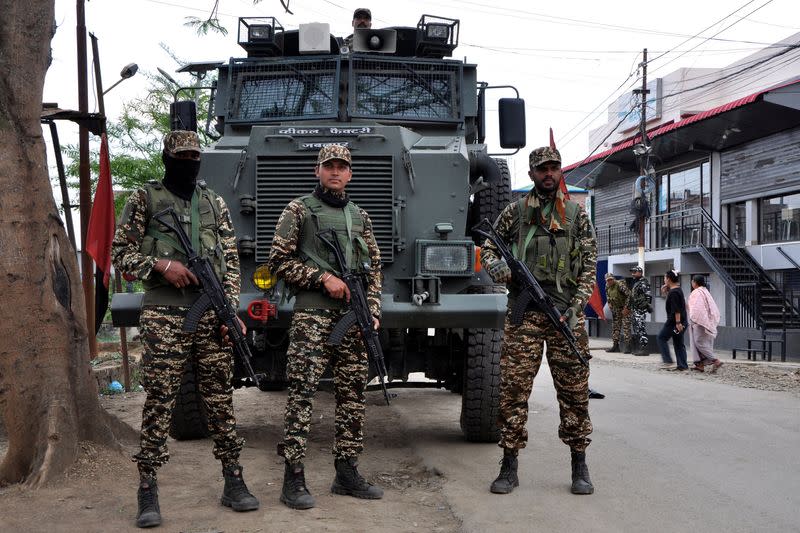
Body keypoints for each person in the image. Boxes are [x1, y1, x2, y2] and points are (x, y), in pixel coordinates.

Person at [112, 131, 259, 528]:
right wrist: (162, 266)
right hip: (164, 315)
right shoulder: (144, 199)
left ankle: (234, 481)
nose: (189, 161)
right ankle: (147, 489)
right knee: (160, 401)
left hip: (211, 314)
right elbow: (120, 252)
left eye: (195, 155)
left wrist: (230, 312)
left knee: (220, 401)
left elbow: (230, 262)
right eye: (182, 156)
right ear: (167, 157)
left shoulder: (214, 203)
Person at [267, 144, 384, 510]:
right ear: (317, 170)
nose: (335, 172)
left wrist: (374, 309)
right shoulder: (298, 210)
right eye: (328, 166)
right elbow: (278, 261)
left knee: (352, 396)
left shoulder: (360, 216)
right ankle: (294, 478)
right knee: (302, 393)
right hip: (313, 316)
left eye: (342, 167)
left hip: (353, 316)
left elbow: (374, 268)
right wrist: (321, 278)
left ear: (350, 174)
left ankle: (346, 473)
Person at [481, 146, 597, 496]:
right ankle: (509, 465)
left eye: (554, 168)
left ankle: (580, 464)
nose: (549, 173)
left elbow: (589, 265)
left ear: (561, 172)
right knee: (513, 392)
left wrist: (575, 307)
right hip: (524, 316)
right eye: (542, 169)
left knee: (575, 392)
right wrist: (497, 267)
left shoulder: (576, 215)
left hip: (565, 315)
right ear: (531, 174)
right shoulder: (515, 212)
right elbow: (488, 246)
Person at [687, 274, 723, 372]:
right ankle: (700, 365)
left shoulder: (696, 292)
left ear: (695, 282)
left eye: (692, 281)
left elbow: (696, 309)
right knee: (701, 342)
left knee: (699, 342)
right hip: (706, 320)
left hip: (699, 321)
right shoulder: (706, 291)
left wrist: (696, 319)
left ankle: (715, 360)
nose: (692, 283)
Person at [657, 269, 689, 371]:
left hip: (674, 323)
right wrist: (666, 292)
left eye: (665, 278)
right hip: (681, 322)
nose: (664, 280)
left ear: (669, 279)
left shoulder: (674, 292)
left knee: (661, 338)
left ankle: (668, 360)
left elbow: (676, 309)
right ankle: (682, 365)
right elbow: (674, 305)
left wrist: (678, 323)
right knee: (678, 342)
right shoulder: (677, 290)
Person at [604, 272, 631, 353]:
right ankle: (615, 346)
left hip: (625, 308)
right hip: (616, 309)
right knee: (615, 327)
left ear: (613, 279)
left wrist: (627, 308)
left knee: (626, 327)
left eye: (611, 279)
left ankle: (628, 346)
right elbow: (607, 295)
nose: (609, 281)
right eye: (608, 280)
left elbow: (629, 295)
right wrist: (609, 303)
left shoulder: (620, 285)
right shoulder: (607, 286)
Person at [628, 265, 652, 356]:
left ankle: (644, 348)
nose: (632, 274)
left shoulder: (643, 282)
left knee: (641, 327)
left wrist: (647, 306)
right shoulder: (636, 283)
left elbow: (648, 295)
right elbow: (633, 296)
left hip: (640, 309)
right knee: (636, 328)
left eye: (634, 272)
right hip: (635, 309)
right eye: (632, 272)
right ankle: (640, 347)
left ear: (640, 272)